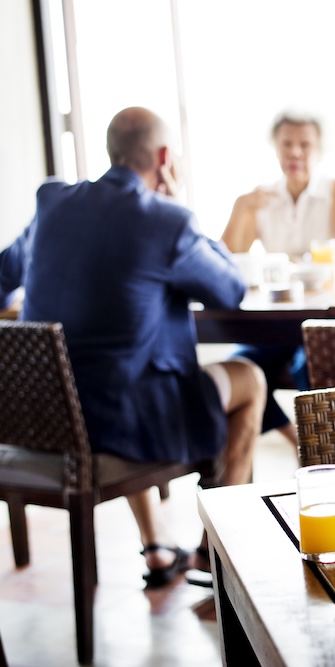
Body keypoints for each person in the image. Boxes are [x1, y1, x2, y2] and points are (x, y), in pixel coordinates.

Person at [0, 107, 267, 587]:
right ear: (164, 158)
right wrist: (181, 203)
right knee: (249, 379)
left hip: (44, 421)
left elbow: (3, 278)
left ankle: (157, 547)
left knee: (126, 370)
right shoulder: (167, 220)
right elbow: (229, 290)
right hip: (124, 424)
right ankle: (217, 549)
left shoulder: (52, 203)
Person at [221, 111, 335, 444]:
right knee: (239, 365)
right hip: (277, 318)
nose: (295, 152)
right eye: (287, 144)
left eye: (305, 145)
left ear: (319, 149)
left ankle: (324, 448)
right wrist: (241, 207)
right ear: (276, 149)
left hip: (321, 316)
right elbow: (226, 259)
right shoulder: (261, 197)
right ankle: (298, 440)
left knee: (306, 367)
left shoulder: (332, 189)